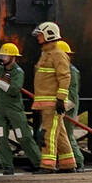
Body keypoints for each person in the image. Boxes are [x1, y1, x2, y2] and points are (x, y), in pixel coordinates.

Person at [0, 43, 41, 175]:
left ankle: (38, 164)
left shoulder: (18, 72)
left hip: (14, 110)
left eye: (5, 55)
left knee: (23, 137)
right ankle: (7, 166)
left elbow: (14, 90)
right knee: (0, 137)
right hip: (0, 109)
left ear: (13, 57)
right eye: (2, 55)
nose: (2, 58)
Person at [30, 21, 76, 173]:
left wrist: (61, 99)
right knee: (60, 134)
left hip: (52, 103)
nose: (38, 38)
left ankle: (48, 165)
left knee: (48, 134)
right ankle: (68, 164)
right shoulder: (46, 54)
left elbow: (65, 77)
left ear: (49, 35)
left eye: (40, 35)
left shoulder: (58, 54)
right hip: (45, 102)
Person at [60, 40, 85, 172]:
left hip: (68, 108)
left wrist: (63, 108)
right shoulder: (62, 69)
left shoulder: (71, 71)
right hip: (62, 107)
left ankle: (79, 162)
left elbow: (73, 96)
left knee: (67, 136)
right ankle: (66, 162)